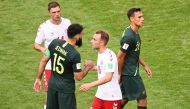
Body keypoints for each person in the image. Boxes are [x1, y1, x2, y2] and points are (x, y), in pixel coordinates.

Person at [33, 24, 93, 109]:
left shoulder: (55, 42)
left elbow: (43, 61)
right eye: (81, 34)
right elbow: (79, 77)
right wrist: (88, 67)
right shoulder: (74, 54)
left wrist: (38, 78)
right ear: (76, 36)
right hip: (66, 90)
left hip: (52, 86)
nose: (81, 37)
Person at [33, 1, 71, 108]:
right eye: (54, 12)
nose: (57, 14)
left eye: (58, 11)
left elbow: (72, 40)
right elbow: (36, 45)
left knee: (64, 94)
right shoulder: (44, 27)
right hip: (50, 66)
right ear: (49, 13)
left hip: (65, 65)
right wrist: (43, 49)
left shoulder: (67, 22)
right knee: (51, 95)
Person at [117, 8, 152, 109]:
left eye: (142, 16)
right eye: (139, 17)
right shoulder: (129, 36)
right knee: (142, 99)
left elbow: (134, 52)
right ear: (132, 19)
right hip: (130, 73)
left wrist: (144, 65)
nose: (143, 19)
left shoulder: (133, 32)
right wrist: (119, 74)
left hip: (130, 71)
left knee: (125, 97)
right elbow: (119, 57)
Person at [80, 30, 122, 109]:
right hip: (100, 95)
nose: (91, 41)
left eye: (94, 39)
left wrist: (90, 85)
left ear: (102, 43)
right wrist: (92, 67)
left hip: (111, 97)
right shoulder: (101, 53)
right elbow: (103, 68)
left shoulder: (110, 57)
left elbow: (108, 77)